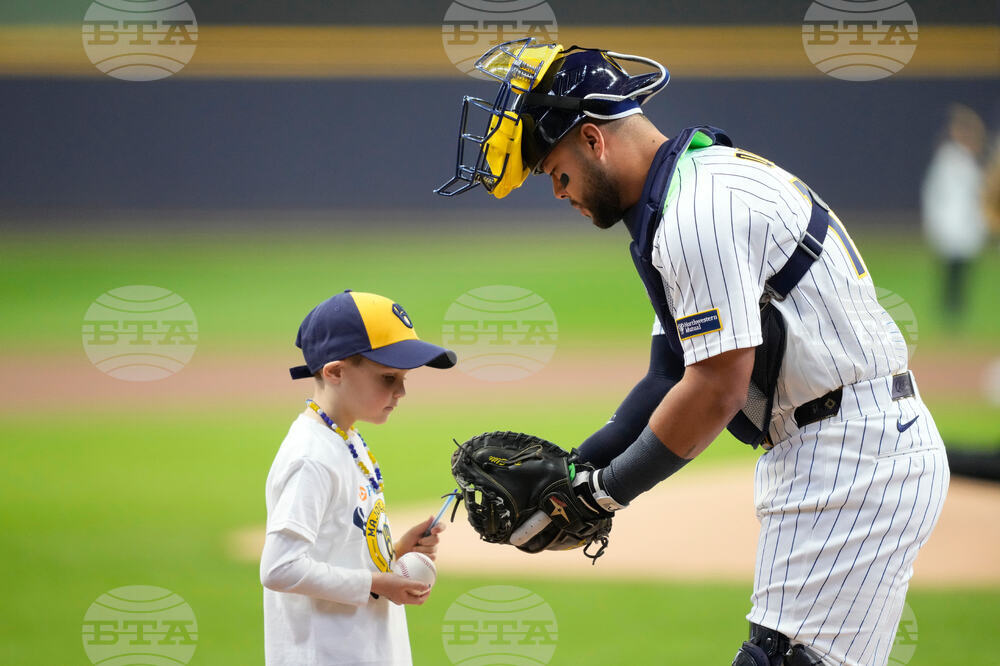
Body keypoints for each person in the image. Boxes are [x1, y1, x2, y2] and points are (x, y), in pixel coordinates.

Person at [436, 38, 949, 666]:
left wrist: (604, 495)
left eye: (555, 172)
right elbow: (668, 374)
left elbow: (715, 388)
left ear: (593, 139)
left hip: (851, 456)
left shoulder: (696, 216)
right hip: (845, 444)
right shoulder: (687, 193)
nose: (558, 192)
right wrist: (578, 469)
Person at [260, 289, 457, 665]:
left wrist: (396, 552)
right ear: (335, 372)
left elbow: (336, 548)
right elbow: (279, 567)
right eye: (387, 377)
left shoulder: (345, 436)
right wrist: (377, 583)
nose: (401, 391)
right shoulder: (311, 457)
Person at [921, 103, 988, 320]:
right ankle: (950, 311)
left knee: (961, 272)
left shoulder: (967, 159)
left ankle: (955, 311)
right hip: (951, 223)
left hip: (964, 225)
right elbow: (934, 192)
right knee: (952, 273)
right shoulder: (950, 158)